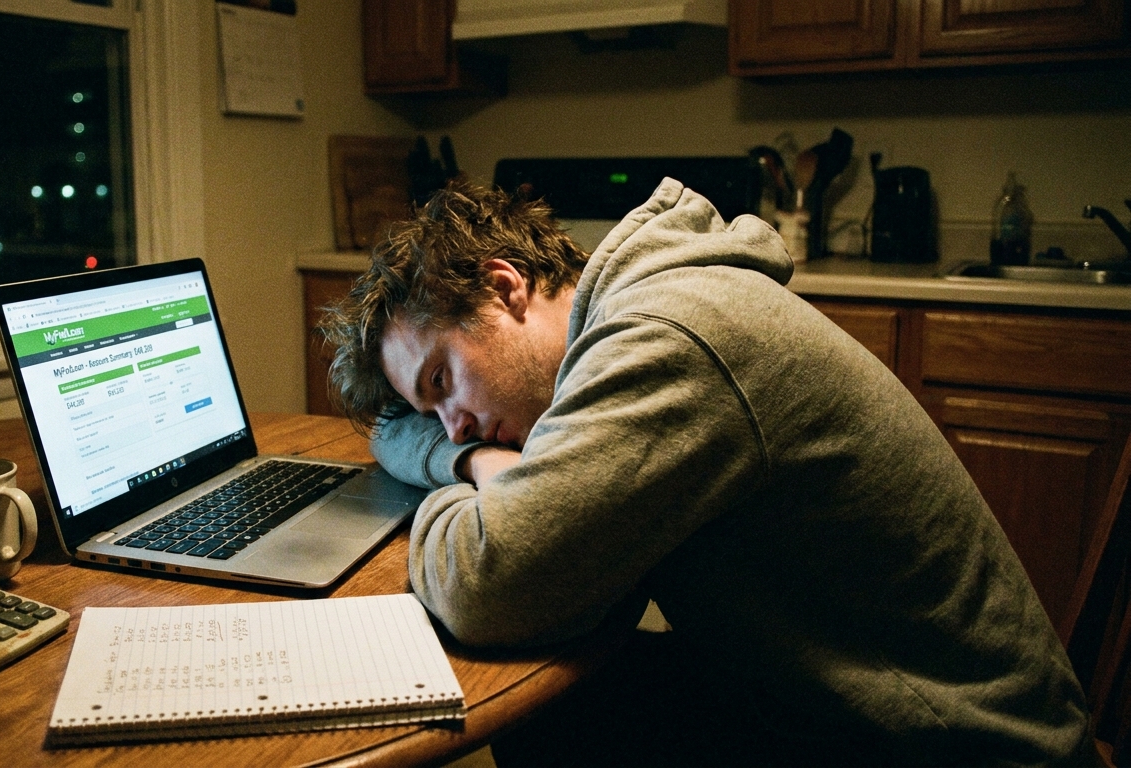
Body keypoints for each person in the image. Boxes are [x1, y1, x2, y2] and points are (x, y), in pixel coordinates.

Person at [318, 178, 1093, 766]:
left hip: (948, 743)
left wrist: (462, 489)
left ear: (503, 287)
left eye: (442, 382)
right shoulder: (640, 309)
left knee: (550, 707)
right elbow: (395, 431)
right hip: (820, 694)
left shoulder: (668, 338)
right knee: (560, 709)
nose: (447, 421)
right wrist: (474, 457)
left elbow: (490, 588)